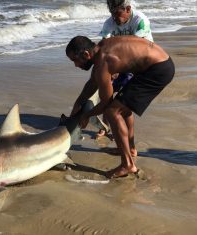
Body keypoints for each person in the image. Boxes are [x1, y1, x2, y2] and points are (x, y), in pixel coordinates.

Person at [66, 36, 175, 178]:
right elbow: (92, 84)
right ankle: (131, 149)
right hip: (159, 63)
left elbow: (106, 103)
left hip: (157, 70)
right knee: (123, 107)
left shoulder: (103, 62)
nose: (76, 65)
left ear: (86, 54)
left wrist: (86, 115)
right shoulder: (102, 48)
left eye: (75, 60)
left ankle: (127, 165)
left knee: (113, 112)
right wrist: (77, 105)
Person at [94, 0, 153, 139]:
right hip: (120, 61)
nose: (115, 18)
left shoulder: (140, 20)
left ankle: (124, 132)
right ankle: (105, 126)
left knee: (124, 101)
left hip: (141, 61)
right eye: (112, 14)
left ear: (128, 9)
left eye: (117, 13)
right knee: (107, 93)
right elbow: (104, 45)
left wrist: (118, 69)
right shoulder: (109, 22)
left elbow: (134, 46)